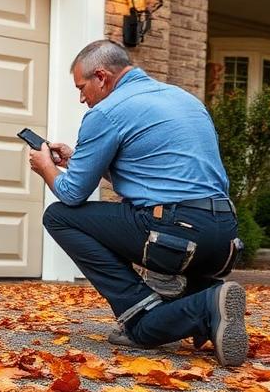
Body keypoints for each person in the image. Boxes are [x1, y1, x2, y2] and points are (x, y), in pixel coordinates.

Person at [27, 40, 248, 367]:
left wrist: (46, 167)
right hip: (223, 237)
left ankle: (147, 311)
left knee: (59, 216)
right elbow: (155, 173)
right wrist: (79, 161)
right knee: (131, 224)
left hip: (175, 235)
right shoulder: (184, 99)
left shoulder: (106, 112)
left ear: (101, 77)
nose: (81, 98)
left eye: (81, 88)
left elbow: (72, 194)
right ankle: (206, 300)